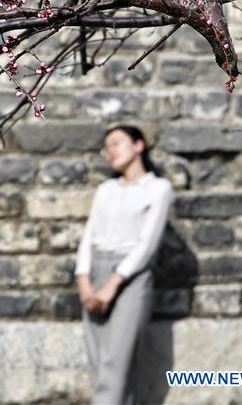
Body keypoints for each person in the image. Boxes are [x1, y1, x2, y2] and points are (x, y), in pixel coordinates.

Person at [75, 125, 174, 405]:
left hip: (131, 278)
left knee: (115, 363)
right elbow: (89, 236)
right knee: (101, 365)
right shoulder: (106, 189)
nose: (111, 151)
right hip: (95, 273)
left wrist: (112, 286)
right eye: (107, 147)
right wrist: (84, 282)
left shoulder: (158, 189)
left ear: (139, 145)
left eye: (117, 143)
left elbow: (146, 245)